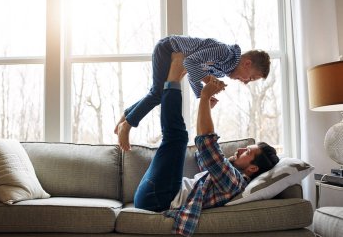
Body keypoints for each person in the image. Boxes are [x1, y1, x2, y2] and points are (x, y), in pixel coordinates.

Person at [133, 56, 279, 237]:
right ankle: (173, 79)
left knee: (177, 137)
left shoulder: (234, 182)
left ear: (253, 168)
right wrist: (206, 107)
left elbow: (206, 145)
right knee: (177, 137)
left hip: (157, 198)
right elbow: (202, 155)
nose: (241, 149)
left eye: (248, 152)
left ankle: (173, 77)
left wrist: (205, 96)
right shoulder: (223, 177)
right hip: (153, 193)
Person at [114, 35, 271, 151]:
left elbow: (191, 72)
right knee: (158, 94)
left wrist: (201, 95)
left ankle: (126, 116)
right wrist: (208, 80)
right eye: (250, 78)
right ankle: (127, 125)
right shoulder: (224, 54)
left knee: (157, 93)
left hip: (171, 52)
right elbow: (189, 63)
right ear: (247, 63)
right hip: (168, 49)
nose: (245, 82)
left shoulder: (223, 68)